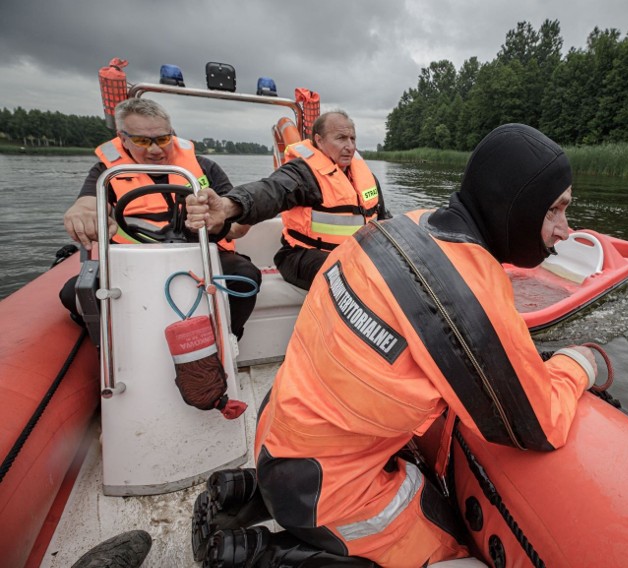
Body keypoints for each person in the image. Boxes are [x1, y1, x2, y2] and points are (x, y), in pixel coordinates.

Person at [189, 124, 599, 568]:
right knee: (455, 555)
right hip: (327, 487)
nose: (564, 231)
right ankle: (255, 557)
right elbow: (538, 425)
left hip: (281, 431)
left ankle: (246, 494)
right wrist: (583, 362)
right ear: (515, 207)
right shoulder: (466, 291)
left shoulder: (398, 228)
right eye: (555, 211)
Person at [60, 98, 261, 340]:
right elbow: (88, 203)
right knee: (73, 293)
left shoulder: (205, 167)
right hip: (135, 262)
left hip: (199, 256)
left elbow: (237, 222)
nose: (155, 150)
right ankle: (123, 343)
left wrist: (231, 219)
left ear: (172, 134)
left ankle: (227, 339)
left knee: (244, 276)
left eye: (163, 139)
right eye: (142, 141)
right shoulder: (107, 172)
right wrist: (83, 214)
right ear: (123, 138)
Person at [184, 110, 392, 291]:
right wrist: (228, 206)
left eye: (352, 139)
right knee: (346, 271)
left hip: (356, 254)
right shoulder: (303, 173)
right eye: (341, 138)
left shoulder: (365, 178)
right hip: (302, 256)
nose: (349, 146)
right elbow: (270, 191)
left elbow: (384, 219)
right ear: (319, 140)